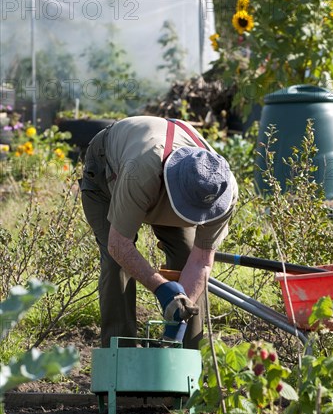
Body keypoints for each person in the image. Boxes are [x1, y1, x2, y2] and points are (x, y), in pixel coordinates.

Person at [80, 115, 238, 349]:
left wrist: (181, 308)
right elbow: (118, 244)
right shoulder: (141, 171)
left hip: (165, 179)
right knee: (117, 265)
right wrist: (162, 288)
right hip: (109, 171)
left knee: (185, 257)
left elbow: (201, 262)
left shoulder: (223, 189)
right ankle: (120, 361)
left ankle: (187, 361)